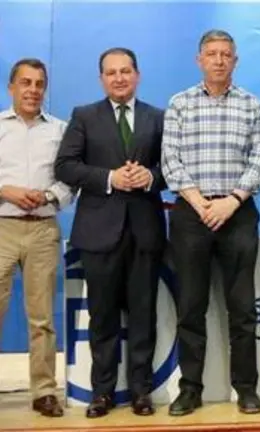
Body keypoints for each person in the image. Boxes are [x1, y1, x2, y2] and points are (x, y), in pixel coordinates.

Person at [161, 29, 260, 416]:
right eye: (212, 54)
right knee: (191, 307)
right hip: (191, 215)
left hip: (237, 214)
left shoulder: (252, 105)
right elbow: (170, 159)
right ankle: (190, 389)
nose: (219, 60)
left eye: (226, 54)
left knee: (242, 309)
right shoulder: (179, 104)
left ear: (235, 61)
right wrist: (199, 202)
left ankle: (247, 389)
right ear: (199, 60)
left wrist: (231, 201)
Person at [55, 48, 166, 417]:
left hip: (145, 232)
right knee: (102, 318)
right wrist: (109, 178)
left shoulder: (158, 117)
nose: (119, 78)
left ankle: (141, 392)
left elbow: (173, 168)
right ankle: (101, 393)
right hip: (99, 233)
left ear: (137, 75)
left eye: (125, 71)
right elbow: (65, 166)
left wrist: (150, 176)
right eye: (111, 72)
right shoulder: (84, 116)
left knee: (143, 316)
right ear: (101, 78)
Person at [0, 58, 72, 418]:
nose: (32, 90)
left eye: (39, 84)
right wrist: (6, 191)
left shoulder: (60, 130)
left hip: (43, 229)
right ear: (11, 87)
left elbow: (70, 179)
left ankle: (44, 391)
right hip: (2, 227)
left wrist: (47, 196)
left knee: (42, 317)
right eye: (25, 83)